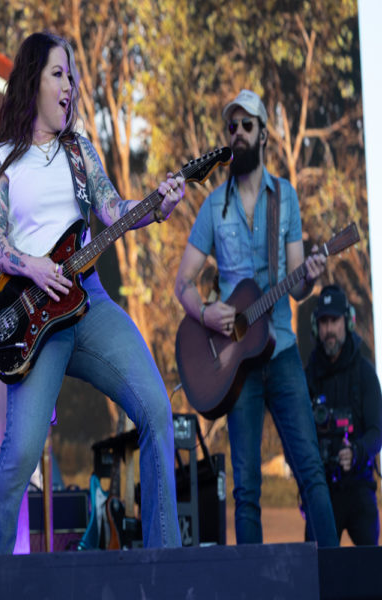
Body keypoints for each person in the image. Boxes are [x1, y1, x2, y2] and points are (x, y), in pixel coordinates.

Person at [0, 31, 184, 554]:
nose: (70, 84)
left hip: (88, 300)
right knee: (20, 453)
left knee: (157, 411)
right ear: (34, 82)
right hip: (34, 314)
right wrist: (32, 266)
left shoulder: (79, 151)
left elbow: (112, 209)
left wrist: (156, 205)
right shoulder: (3, 159)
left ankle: (166, 559)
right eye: (58, 74)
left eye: (71, 75)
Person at [174, 88, 338, 546]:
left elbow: (298, 286)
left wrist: (310, 277)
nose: (239, 133)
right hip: (236, 366)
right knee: (245, 491)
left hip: (280, 350)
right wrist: (207, 313)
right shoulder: (213, 206)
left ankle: (334, 575)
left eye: (247, 125)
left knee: (311, 472)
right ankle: (253, 582)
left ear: (263, 134)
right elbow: (182, 283)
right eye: (232, 126)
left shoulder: (285, 198)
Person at [305, 284, 382, 545]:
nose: (329, 329)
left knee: (370, 566)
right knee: (316, 566)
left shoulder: (365, 373)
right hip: (321, 491)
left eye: (334, 320)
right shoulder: (308, 376)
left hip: (359, 487)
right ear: (316, 326)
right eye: (323, 322)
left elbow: (377, 432)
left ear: (347, 322)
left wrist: (357, 452)